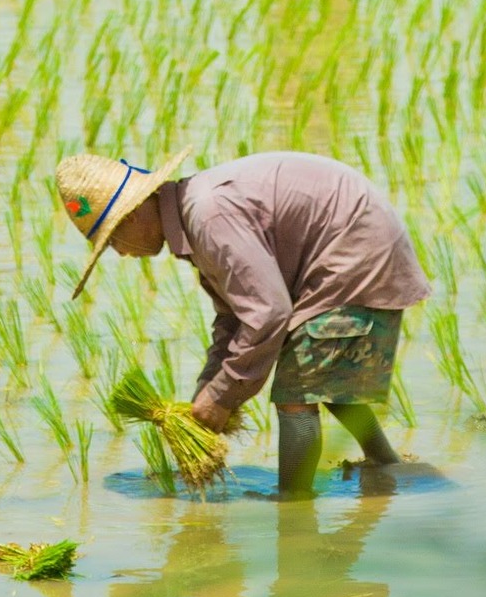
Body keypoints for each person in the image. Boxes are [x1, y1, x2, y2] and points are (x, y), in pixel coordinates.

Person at [58, 149, 429, 498]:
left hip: (356, 252)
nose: (121, 253)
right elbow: (234, 317)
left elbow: (269, 313)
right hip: (354, 245)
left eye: (112, 241)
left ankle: (294, 509)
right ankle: (387, 468)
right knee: (320, 376)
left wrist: (222, 397)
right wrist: (208, 387)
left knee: (296, 394)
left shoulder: (209, 217)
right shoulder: (195, 217)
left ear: (133, 215)